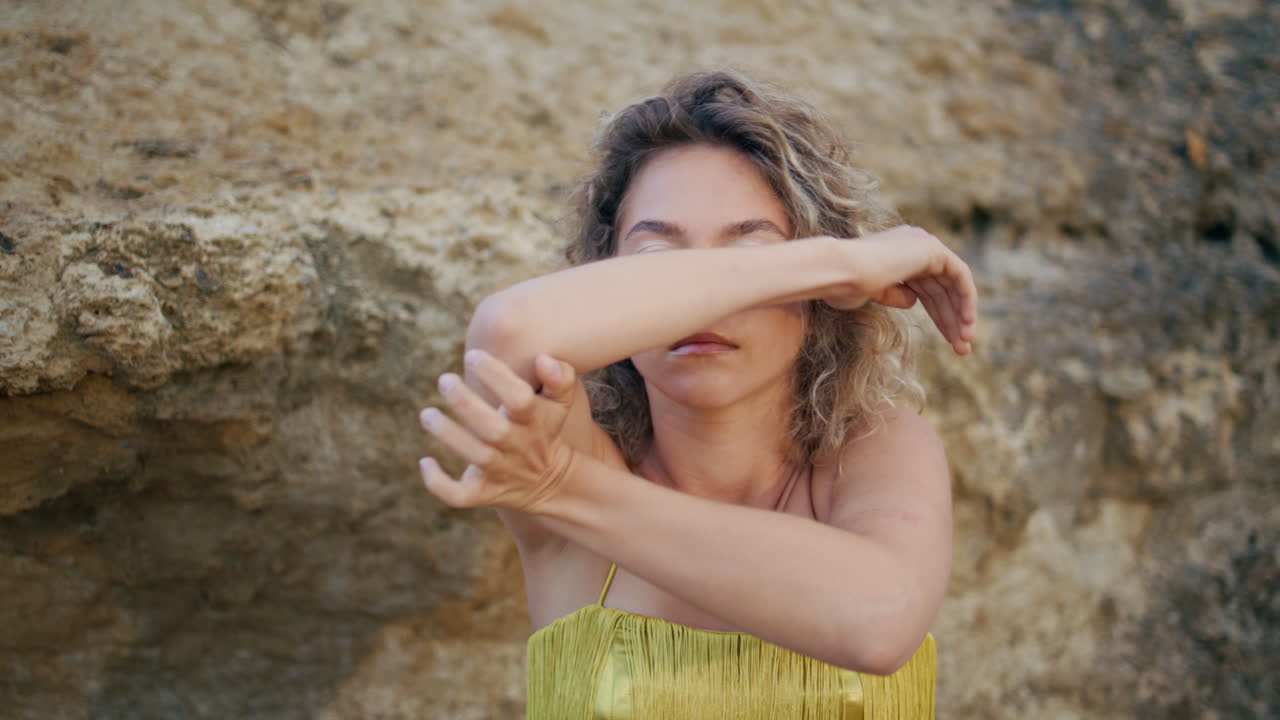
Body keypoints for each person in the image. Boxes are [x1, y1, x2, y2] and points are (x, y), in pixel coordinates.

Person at [416, 70, 976, 719]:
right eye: (658, 257)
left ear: (823, 300)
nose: (703, 309)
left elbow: (877, 621)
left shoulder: (876, 449)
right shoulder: (566, 450)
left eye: (750, 250)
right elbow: (510, 331)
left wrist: (567, 490)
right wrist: (839, 262)